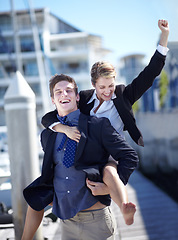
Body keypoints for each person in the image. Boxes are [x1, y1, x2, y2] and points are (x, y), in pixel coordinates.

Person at [41, 18, 169, 222]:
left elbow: (150, 73)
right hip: (85, 152)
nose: (108, 91)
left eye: (111, 85)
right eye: (102, 87)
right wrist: (63, 128)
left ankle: (125, 206)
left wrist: (164, 36)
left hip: (110, 151)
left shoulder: (125, 96)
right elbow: (49, 117)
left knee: (110, 172)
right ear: (93, 84)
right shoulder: (81, 97)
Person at [22, 74, 139, 240]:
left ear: (77, 96)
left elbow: (129, 156)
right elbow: (56, 171)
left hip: (96, 221)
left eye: (68, 91)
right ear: (53, 100)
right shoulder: (48, 135)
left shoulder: (98, 125)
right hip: (67, 222)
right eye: (58, 92)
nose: (64, 94)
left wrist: (110, 188)